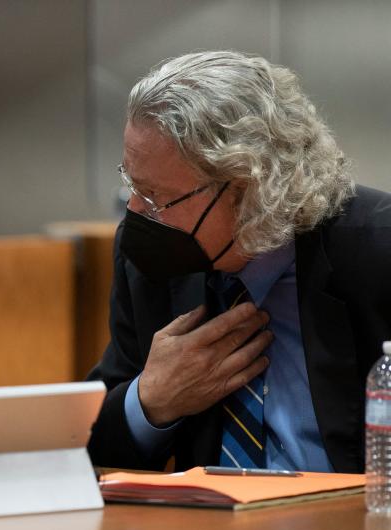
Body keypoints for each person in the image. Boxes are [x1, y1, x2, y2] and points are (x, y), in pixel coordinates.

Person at [87, 51, 391, 474]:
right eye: (130, 184)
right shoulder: (148, 259)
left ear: (250, 189)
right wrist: (151, 401)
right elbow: (86, 442)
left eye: (156, 196)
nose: (136, 211)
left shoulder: (379, 251)